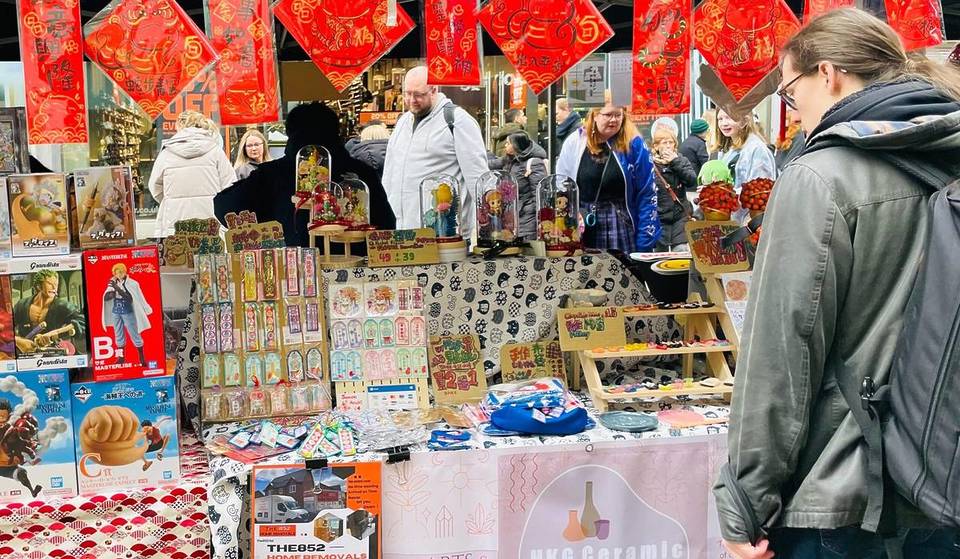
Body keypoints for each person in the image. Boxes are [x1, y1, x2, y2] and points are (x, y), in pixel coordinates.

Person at [713, 8, 960, 559]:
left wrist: (745, 503)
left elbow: (782, 355)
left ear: (827, 74)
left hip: (848, 489)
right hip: (946, 475)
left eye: (790, 91)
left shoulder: (820, 178)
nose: (792, 110)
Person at [215, 103, 395, 247]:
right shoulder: (362, 173)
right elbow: (387, 226)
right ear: (336, 132)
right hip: (355, 277)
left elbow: (224, 206)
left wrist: (270, 222)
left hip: (292, 272)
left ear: (290, 134)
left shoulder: (272, 174)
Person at [382, 66, 487, 237]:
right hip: (402, 230)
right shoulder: (403, 123)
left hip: (444, 232)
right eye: (407, 93)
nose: (411, 100)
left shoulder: (457, 121)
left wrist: (486, 227)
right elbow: (390, 171)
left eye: (418, 94)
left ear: (434, 90)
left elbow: (478, 178)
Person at [556, 103, 659, 252]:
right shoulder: (576, 141)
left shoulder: (634, 144)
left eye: (618, 115)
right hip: (583, 223)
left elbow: (647, 193)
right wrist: (570, 215)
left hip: (619, 222)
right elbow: (562, 183)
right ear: (595, 115)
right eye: (608, 115)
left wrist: (645, 241)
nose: (614, 120)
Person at [148, 111, 236, 238]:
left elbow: (155, 188)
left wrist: (172, 200)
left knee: (178, 255)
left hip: (176, 223)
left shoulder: (167, 154)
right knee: (210, 256)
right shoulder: (215, 151)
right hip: (211, 223)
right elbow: (230, 186)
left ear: (180, 127)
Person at [712, 108, 776, 222]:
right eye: (720, 119)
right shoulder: (729, 149)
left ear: (745, 120)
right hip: (732, 220)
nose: (724, 123)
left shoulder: (757, 149)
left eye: (729, 117)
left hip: (749, 223)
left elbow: (759, 193)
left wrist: (725, 194)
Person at [13, 269, 85, 356]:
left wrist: (56, 333)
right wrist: (19, 341)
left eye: (56, 284)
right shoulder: (22, 304)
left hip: (53, 354)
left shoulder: (62, 305)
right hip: (25, 355)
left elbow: (83, 321)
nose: (54, 288)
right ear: (39, 286)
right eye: (50, 284)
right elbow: (5, 329)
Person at [651, 126, 696, 251]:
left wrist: (675, 162)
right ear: (656, 146)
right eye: (664, 143)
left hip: (680, 215)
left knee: (681, 250)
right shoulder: (650, 164)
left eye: (671, 142)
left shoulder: (681, 160)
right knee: (659, 255)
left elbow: (691, 180)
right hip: (658, 217)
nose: (668, 146)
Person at [495, 131, 547, 240]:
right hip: (513, 213)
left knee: (525, 246)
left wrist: (539, 216)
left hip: (527, 215)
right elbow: (491, 163)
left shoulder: (533, 163)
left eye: (508, 143)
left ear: (516, 145)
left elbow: (538, 193)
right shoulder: (510, 160)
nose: (505, 145)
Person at [101, 262, 153, 366]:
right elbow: (106, 298)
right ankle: (121, 357)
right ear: (114, 273)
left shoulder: (132, 283)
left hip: (128, 311)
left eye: (121, 272)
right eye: (117, 273)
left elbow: (130, 298)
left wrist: (117, 288)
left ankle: (141, 358)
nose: (119, 274)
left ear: (125, 272)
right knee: (118, 334)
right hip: (116, 311)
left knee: (134, 333)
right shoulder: (112, 283)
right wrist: (111, 291)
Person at [0, 400, 41, 497]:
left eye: (3, 417)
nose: (0, 420)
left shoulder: (11, 431)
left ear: (9, 417)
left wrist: (29, 449)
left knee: (21, 473)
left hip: (8, 467)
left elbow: (21, 444)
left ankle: (32, 491)